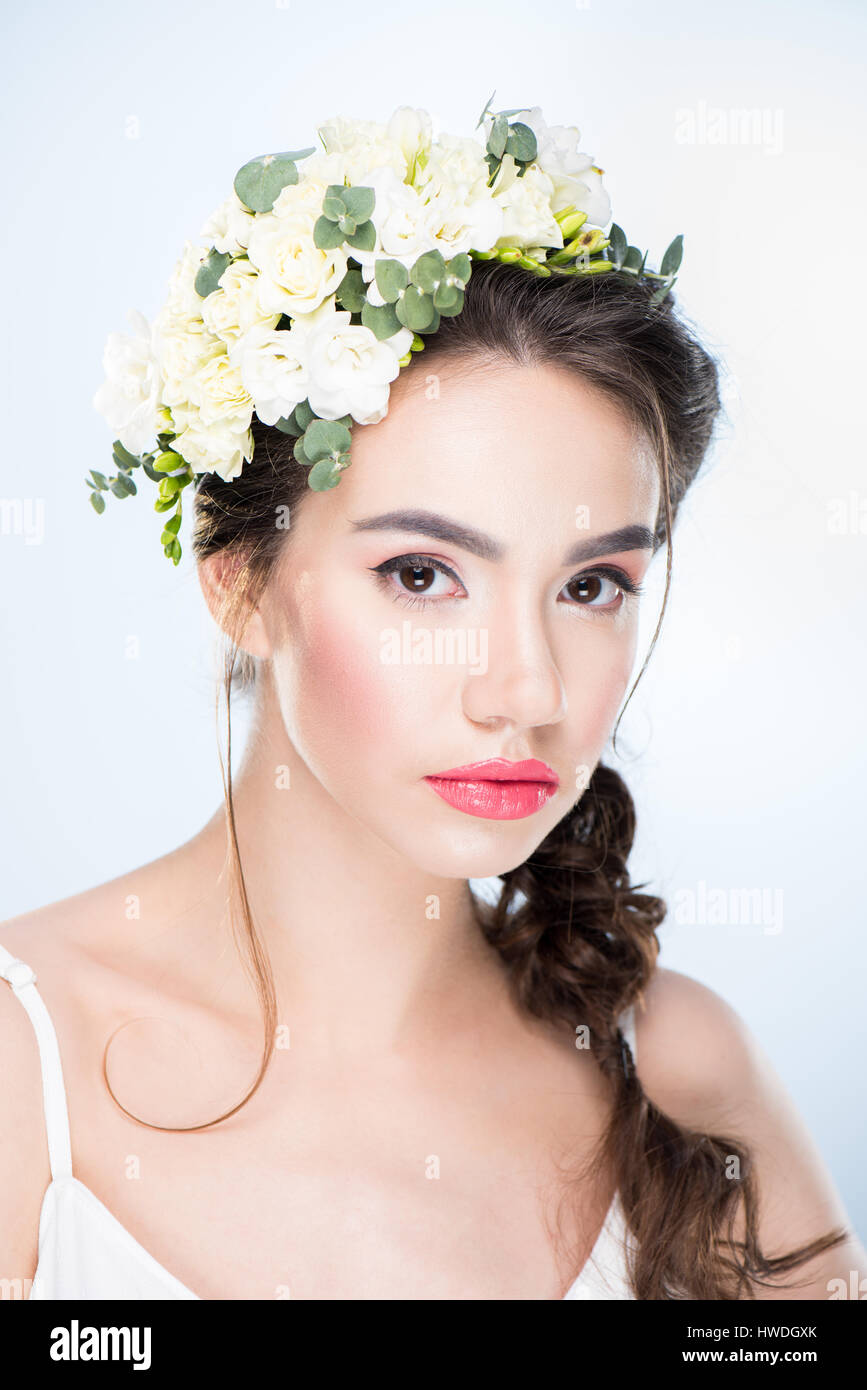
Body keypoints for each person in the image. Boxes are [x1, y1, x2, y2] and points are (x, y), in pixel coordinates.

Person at [1, 104, 864, 1302]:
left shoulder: (684, 1075)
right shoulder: (21, 1077)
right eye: (422, 575)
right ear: (239, 580)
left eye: (591, 583)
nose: (528, 689)